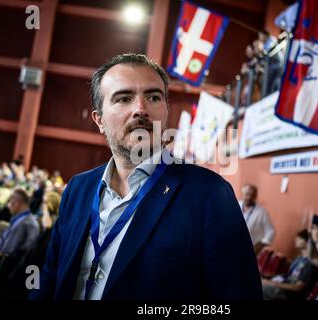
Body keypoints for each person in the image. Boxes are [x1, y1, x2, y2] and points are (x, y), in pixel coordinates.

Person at [29, 53, 262, 301]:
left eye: (153, 97)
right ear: (99, 120)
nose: (141, 109)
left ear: (166, 110)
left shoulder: (209, 194)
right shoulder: (78, 187)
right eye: (124, 98)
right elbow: (51, 276)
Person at [262, 230, 318, 300]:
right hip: (281, 285)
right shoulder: (298, 258)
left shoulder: (310, 264)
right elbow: (288, 275)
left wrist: (272, 283)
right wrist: (270, 278)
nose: (296, 240)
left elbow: (297, 287)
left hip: (287, 293)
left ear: (306, 242)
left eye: (299, 238)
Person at [238, 184, 275, 255]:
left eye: (252, 195)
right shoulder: (236, 205)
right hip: (233, 246)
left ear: (255, 196)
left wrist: (261, 244)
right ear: (242, 194)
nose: (249, 197)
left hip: (251, 250)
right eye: (247, 194)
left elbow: (271, 231)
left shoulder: (261, 212)